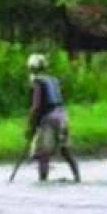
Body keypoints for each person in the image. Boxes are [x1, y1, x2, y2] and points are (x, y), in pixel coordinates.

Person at [25, 53, 81, 183]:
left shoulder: (37, 82)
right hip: (62, 117)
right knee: (65, 149)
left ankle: (43, 180)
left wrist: (31, 125)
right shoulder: (53, 80)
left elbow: (36, 106)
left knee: (43, 154)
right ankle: (77, 177)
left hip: (48, 119)